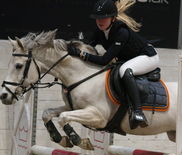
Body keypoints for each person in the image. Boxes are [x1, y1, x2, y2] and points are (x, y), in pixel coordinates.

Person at [68, 0, 159, 129]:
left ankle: (138, 112)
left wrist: (81, 54)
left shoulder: (122, 32)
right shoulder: (100, 31)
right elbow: (88, 46)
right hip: (130, 57)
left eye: (104, 17)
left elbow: (104, 60)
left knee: (124, 70)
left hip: (148, 56)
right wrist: (74, 49)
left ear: (113, 18)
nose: (100, 21)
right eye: (97, 18)